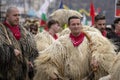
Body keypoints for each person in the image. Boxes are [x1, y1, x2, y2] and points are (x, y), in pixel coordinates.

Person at [33, 16, 116, 80]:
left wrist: (97, 59)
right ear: (69, 26)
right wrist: (52, 71)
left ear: (81, 25)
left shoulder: (93, 38)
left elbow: (104, 51)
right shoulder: (61, 42)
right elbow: (47, 60)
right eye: (73, 24)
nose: (76, 26)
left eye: (78, 24)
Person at [0, 6, 38, 80]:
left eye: (18, 15)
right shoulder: (2, 31)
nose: (17, 17)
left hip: (24, 75)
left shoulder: (24, 32)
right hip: (7, 75)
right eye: (14, 15)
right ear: (7, 16)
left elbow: (33, 51)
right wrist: (11, 52)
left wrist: (30, 61)